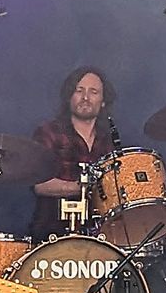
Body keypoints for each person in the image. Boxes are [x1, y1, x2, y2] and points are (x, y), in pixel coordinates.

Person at [29, 66, 117, 240]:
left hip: (100, 236)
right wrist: (83, 187)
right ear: (69, 96)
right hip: (52, 233)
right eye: (79, 90)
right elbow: (39, 185)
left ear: (103, 101)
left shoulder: (110, 140)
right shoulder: (49, 133)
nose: (85, 98)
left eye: (93, 92)